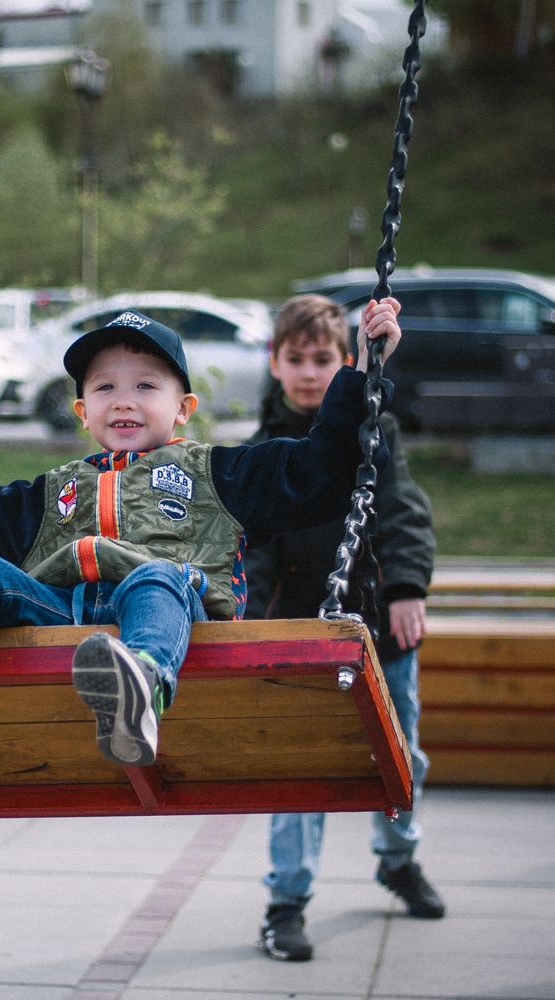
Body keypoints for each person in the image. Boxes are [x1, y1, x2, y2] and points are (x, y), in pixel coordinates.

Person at [0, 302, 401, 769]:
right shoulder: (54, 492)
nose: (123, 401)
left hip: (175, 619)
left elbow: (321, 472)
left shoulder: (219, 475)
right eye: (104, 389)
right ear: (81, 411)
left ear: (183, 408)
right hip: (65, 616)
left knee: (155, 575)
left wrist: (362, 375)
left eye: (146, 386)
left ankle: (138, 686)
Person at [247, 294, 445, 964]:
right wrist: (249, 620)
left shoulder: (372, 429)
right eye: (296, 359)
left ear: (346, 362)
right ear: (274, 363)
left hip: (377, 623)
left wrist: (405, 587)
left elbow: (402, 509)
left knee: (400, 755)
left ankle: (397, 857)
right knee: (300, 766)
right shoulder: (262, 450)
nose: (309, 373)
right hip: (299, 631)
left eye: (323, 360)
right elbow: (252, 543)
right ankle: (286, 899)